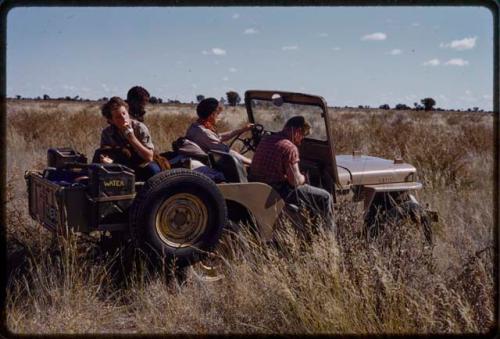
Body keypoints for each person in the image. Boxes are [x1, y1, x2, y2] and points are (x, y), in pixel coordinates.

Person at [249, 116, 334, 230]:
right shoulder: (290, 148)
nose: (301, 140)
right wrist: (303, 177)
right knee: (325, 197)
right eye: (303, 136)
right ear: (298, 131)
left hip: (258, 186)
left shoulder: (266, 139)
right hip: (277, 191)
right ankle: (328, 237)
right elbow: (295, 181)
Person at [99, 96, 161, 181]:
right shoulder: (107, 133)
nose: (124, 118)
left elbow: (149, 157)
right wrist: (106, 160)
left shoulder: (139, 128)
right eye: (118, 117)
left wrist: (132, 138)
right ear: (111, 120)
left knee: (153, 170)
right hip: (120, 164)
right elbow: (105, 153)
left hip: (141, 163)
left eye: (124, 113)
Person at [185, 97, 253, 165]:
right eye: (217, 114)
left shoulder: (195, 126)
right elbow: (227, 152)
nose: (218, 118)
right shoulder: (204, 132)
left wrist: (242, 130)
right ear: (211, 115)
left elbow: (218, 137)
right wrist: (251, 162)